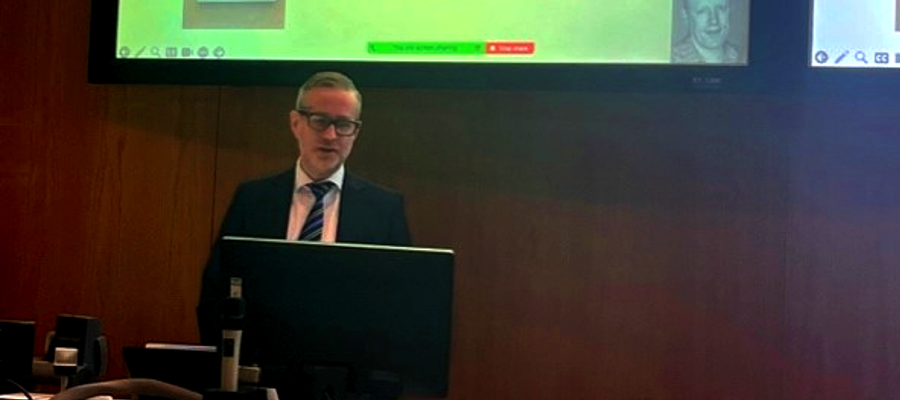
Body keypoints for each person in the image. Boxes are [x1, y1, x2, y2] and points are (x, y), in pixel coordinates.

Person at [196, 71, 412, 345]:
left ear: (356, 132)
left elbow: (401, 305)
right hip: (260, 368)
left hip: (349, 371)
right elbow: (216, 291)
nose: (331, 135)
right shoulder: (253, 199)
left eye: (343, 124)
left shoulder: (383, 209)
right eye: (320, 121)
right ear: (296, 123)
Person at [671, 0, 742, 64]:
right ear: (686, 16)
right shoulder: (670, 59)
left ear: (728, 12)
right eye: (702, 11)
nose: (714, 20)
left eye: (721, 8)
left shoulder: (742, 56)